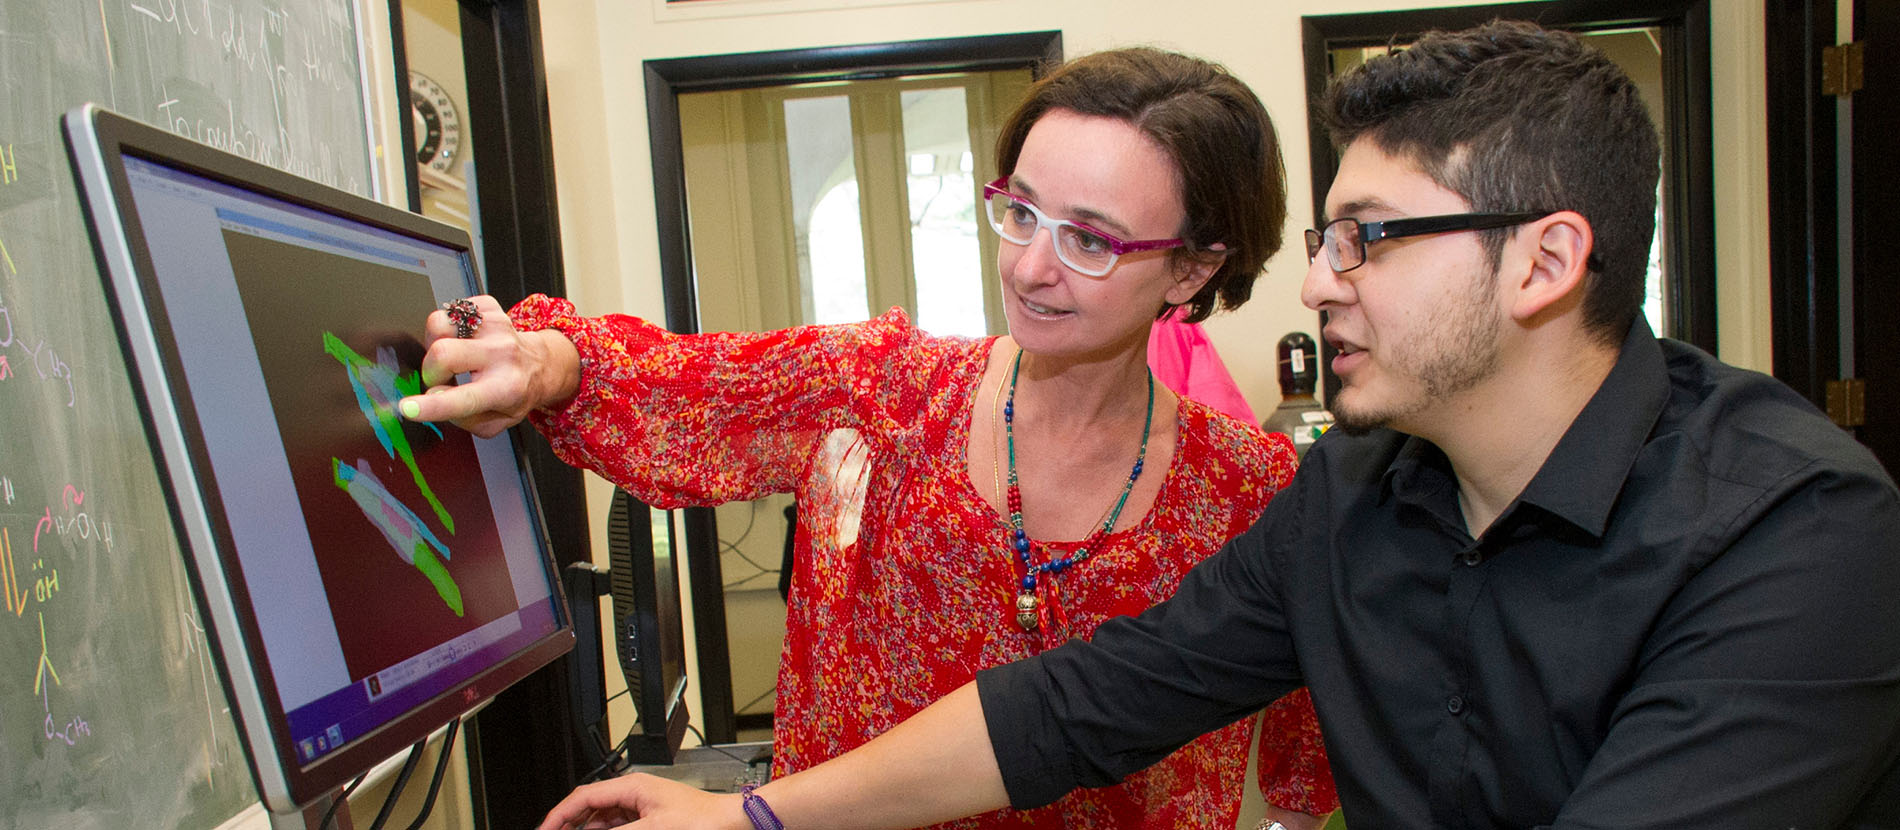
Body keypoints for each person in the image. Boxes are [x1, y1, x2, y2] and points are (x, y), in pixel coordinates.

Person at [532, 19, 1900, 830]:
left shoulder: (1797, 538)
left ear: (1544, 262)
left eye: (1369, 239)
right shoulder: (1353, 497)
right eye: (1324, 237)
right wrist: (750, 814)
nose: (1317, 284)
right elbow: (1084, 702)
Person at [404, 47, 1336, 827]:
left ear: (1191, 268)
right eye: (1021, 212)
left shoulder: (1250, 490)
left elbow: (1309, 767)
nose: (1029, 267)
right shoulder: (881, 392)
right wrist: (543, 363)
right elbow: (678, 389)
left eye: (1090, 240)